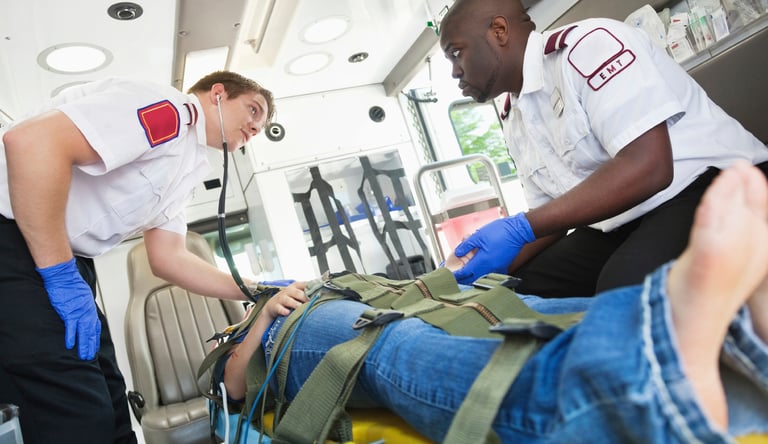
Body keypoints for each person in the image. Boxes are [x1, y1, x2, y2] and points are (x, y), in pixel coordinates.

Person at [217, 161, 768, 443]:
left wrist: (450, 276)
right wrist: (263, 313)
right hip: (304, 334)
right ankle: (628, 390)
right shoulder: (248, 327)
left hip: (388, 300)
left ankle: (731, 339)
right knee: (388, 342)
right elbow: (236, 388)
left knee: (523, 314)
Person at [0, 71, 274, 444]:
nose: (256, 127)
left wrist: (257, 290)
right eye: (253, 109)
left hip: (62, 260)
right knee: (74, 415)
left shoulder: (186, 168)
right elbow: (30, 141)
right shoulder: (169, 111)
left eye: (263, 125)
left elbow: (168, 257)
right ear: (218, 94)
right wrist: (60, 273)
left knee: (112, 409)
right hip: (21, 245)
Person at [437, 0, 768, 296]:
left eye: (456, 52)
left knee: (623, 290)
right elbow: (552, 212)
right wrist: (471, 271)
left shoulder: (589, 46)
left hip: (711, 184)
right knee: (521, 289)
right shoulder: (515, 117)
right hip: (623, 218)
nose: (454, 71)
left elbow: (649, 166)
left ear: (499, 31)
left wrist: (522, 227)